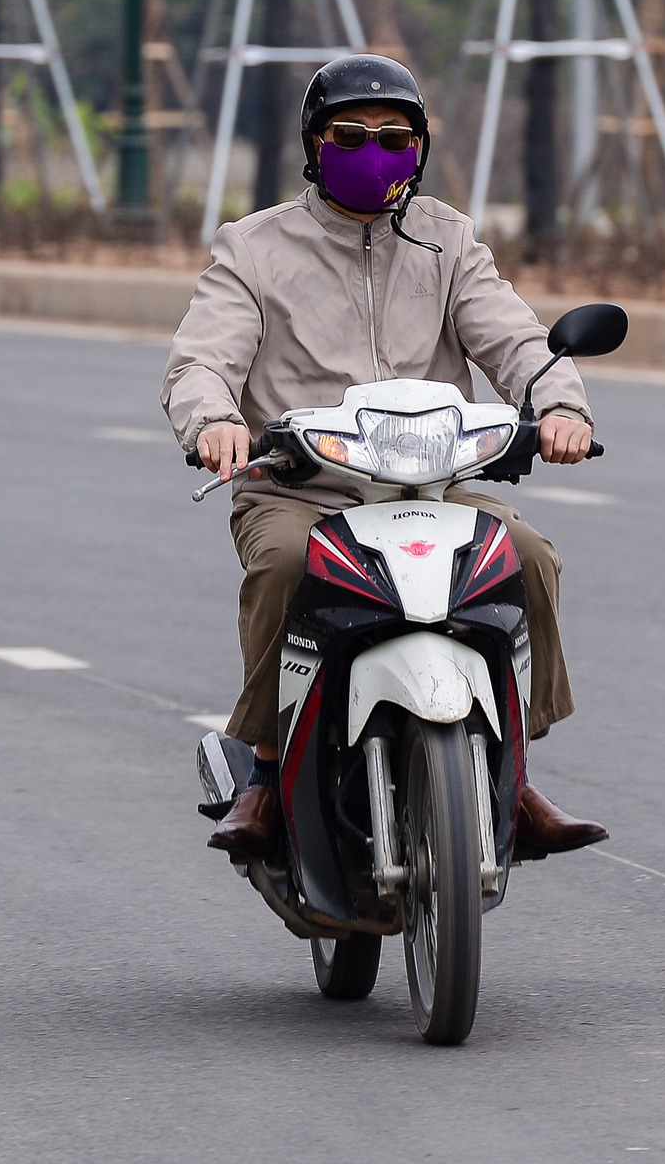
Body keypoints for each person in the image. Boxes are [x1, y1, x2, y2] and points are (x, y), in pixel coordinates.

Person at [162, 53, 608, 863]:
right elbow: (202, 360)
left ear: (421, 147)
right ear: (313, 142)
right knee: (287, 568)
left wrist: (561, 407)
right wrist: (215, 423)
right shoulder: (254, 248)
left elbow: (514, 338)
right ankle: (265, 771)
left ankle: (515, 769)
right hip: (301, 489)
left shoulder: (447, 241)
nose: (375, 150)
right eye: (352, 134)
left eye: (395, 137)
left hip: (433, 487)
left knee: (530, 557)